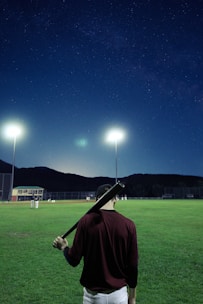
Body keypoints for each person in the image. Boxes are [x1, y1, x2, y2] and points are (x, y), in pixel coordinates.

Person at [53, 184, 138, 304]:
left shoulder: (86, 221)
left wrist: (64, 247)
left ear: (96, 200)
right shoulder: (129, 225)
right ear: (116, 200)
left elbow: (73, 260)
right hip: (119, 297)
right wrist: (132, 297)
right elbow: (132, 266)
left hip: (93, 297)